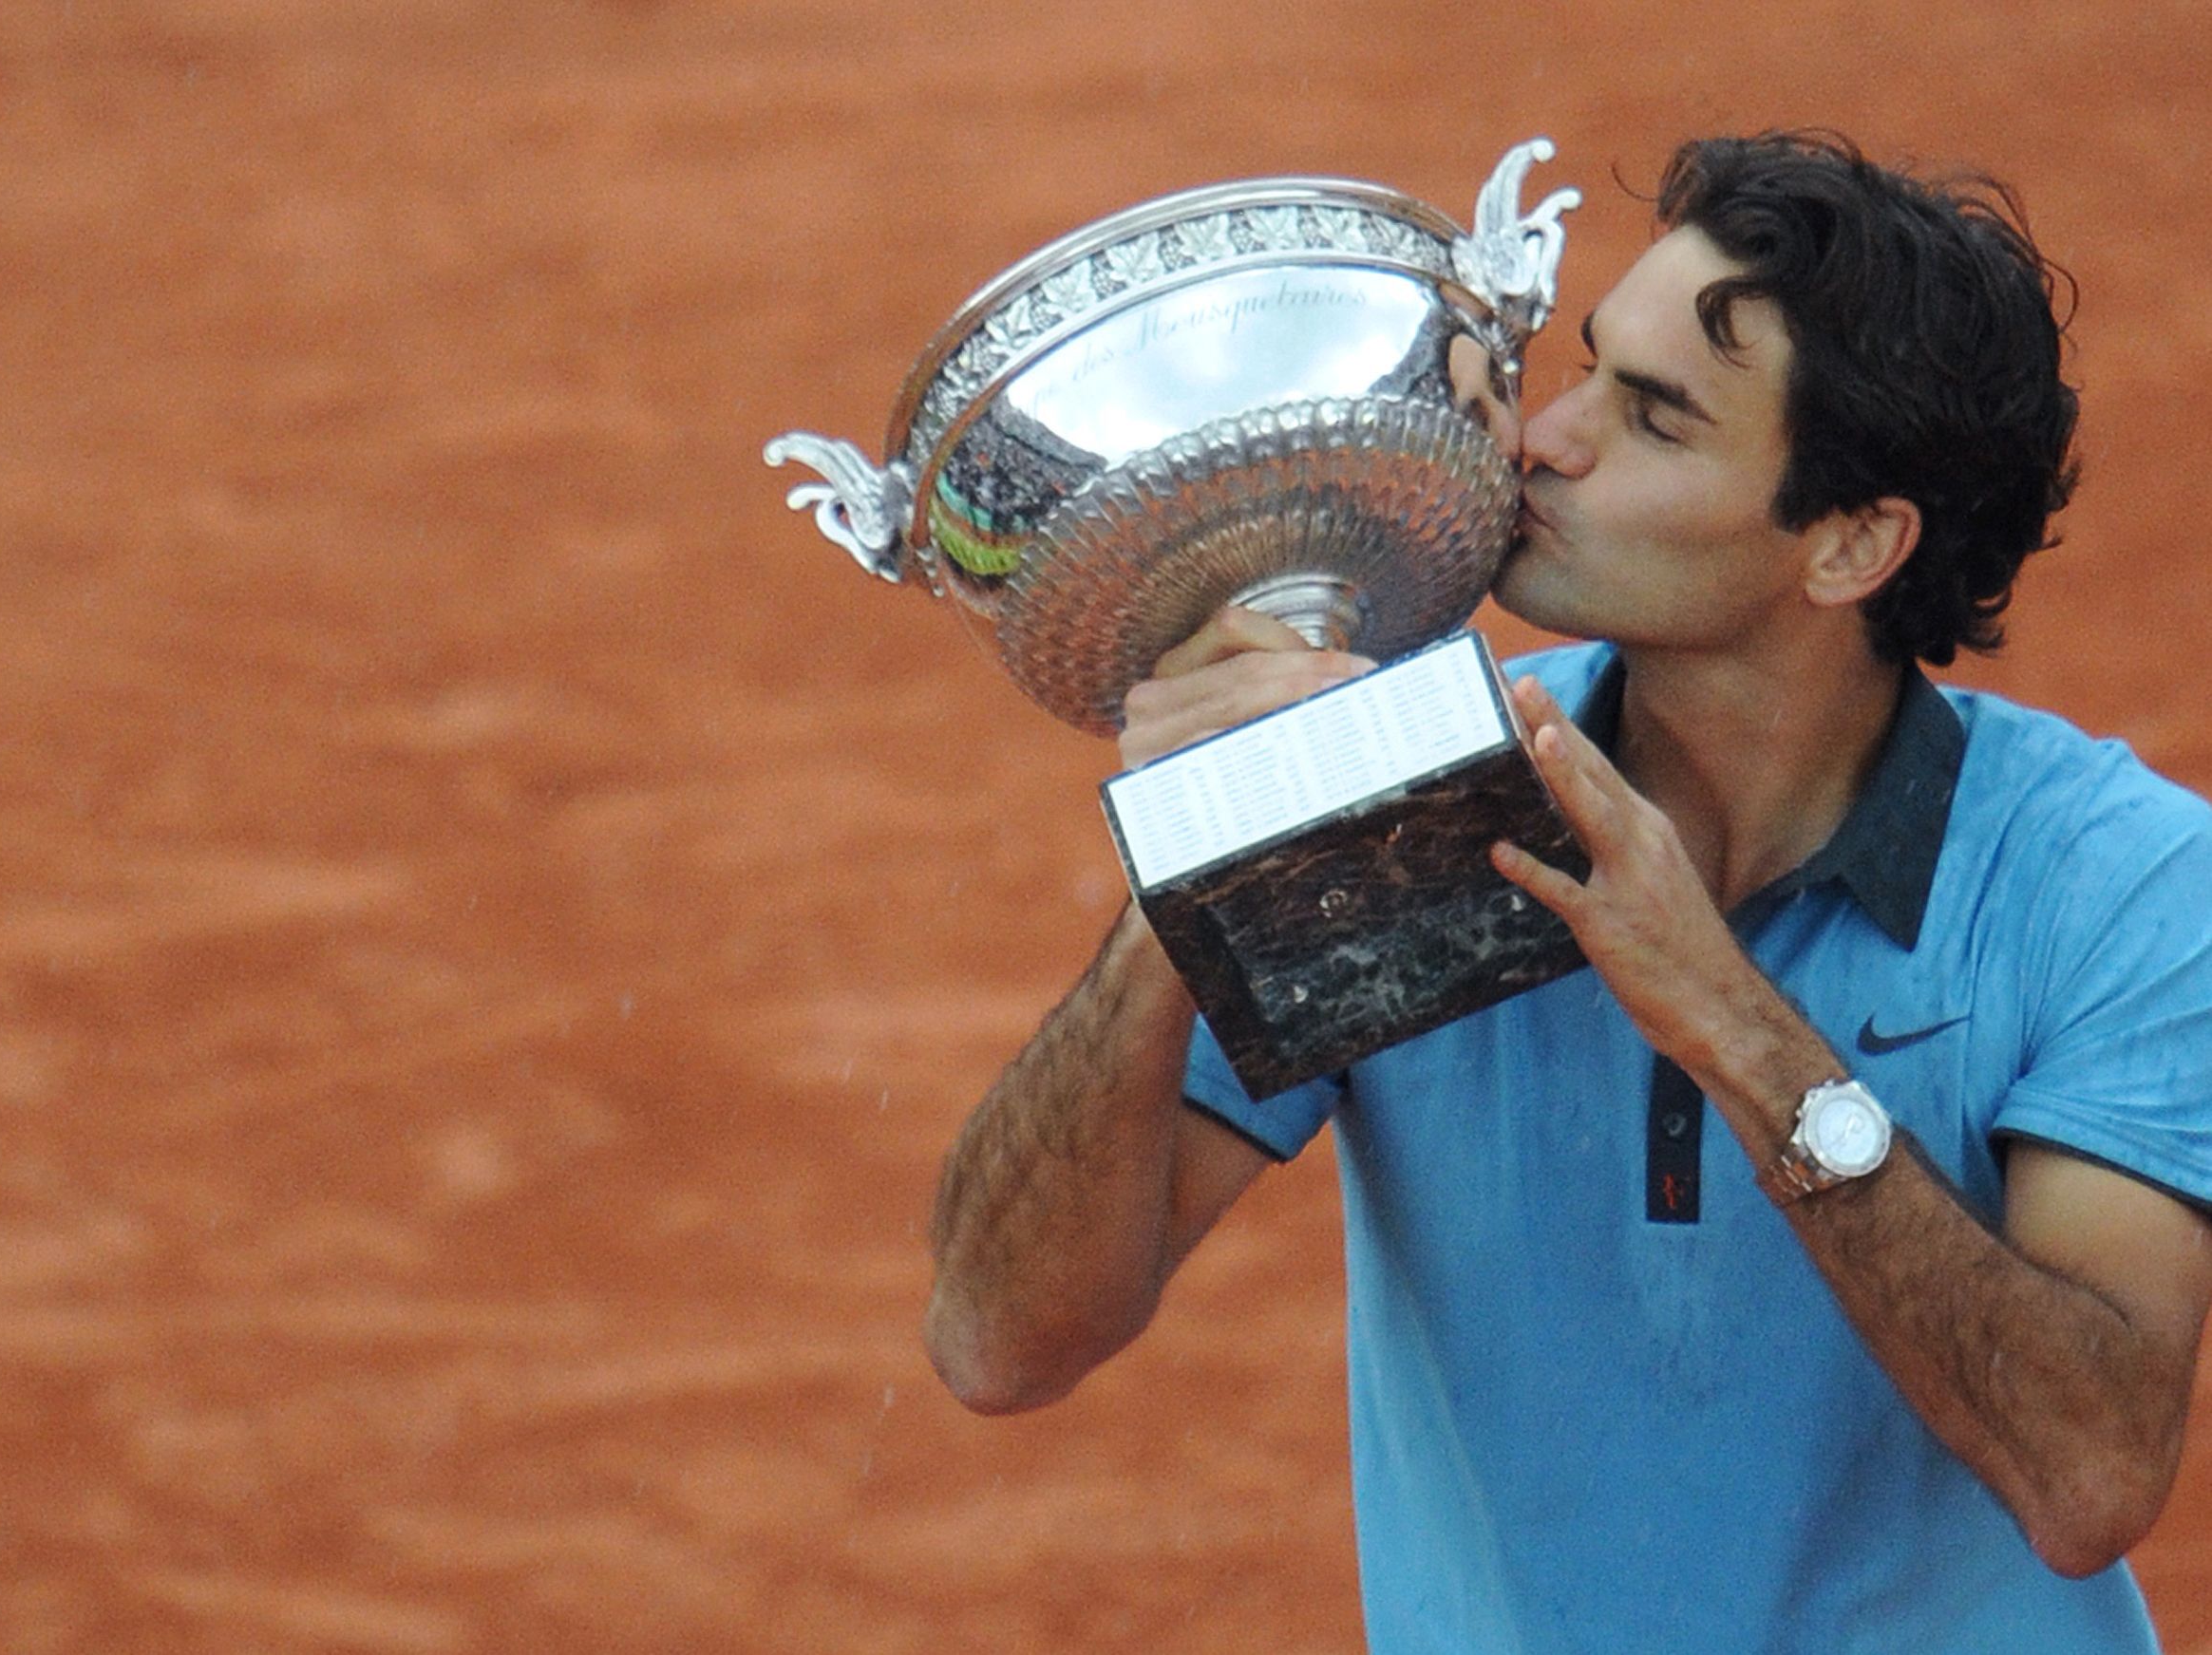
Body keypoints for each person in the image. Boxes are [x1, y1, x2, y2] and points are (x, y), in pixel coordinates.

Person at [920, 131, 2212, 1653]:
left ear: (1853, 543)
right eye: (1588, 367)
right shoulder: (1414, 805)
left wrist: (1732, 1021)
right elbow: (999, 1342)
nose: (1541, 437)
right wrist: (1195, 866)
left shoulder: (2119, 881)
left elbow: (2090, 1473)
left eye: (1653, 420)